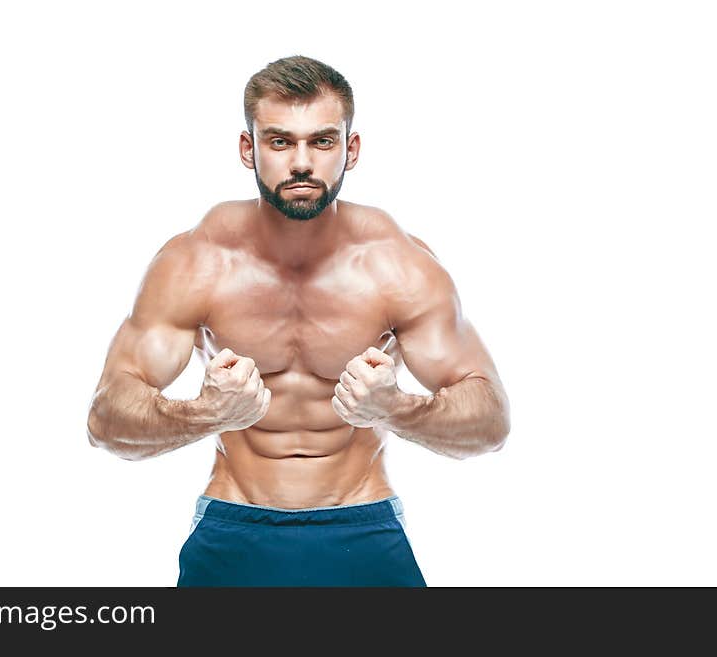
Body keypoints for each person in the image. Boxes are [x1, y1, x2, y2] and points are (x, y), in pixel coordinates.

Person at [86, 55, 511, 587]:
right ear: (250, 149)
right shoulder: (197, 262)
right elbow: (106, 422)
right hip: (234, 527)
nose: (302, 163)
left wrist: (396, 407)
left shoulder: (397, 264)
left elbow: (491, 423)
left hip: (362, 524)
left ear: (350, 151)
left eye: (323, 141)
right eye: (281, 141)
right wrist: (205, 413)